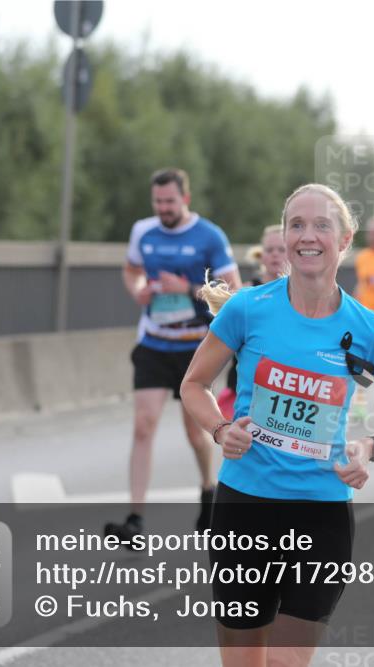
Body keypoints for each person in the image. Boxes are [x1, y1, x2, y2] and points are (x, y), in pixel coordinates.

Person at [181, 184, 374, 665]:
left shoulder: (368, 327)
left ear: (345, 239)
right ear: (285, 237)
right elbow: (194, 385)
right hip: (245, 506)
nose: (307, 236)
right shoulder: (248, 309)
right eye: (296, 225)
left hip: (321, 513)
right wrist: (222, 430)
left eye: (321, 226)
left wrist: (370, 446)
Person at [105, 168, 242, 543]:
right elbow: (132, 270)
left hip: (194, 347)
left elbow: (234, 293)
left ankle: (207, 489)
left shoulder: (209, 236)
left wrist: (189, 289)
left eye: (170, 201)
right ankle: (135, 520)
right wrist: (137, 290)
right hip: (153, 341)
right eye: (158, 202)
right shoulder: (142, 232)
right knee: (143, 424)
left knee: (194, 433)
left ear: (186, 198)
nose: (164, 208)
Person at [218, 225, 289, 419]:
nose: (275, 255)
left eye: (281, 249)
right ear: (261, 256)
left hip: (282, 387)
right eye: (269, 250)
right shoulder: (246, 294)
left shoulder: (299, 297)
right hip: (243, 384)